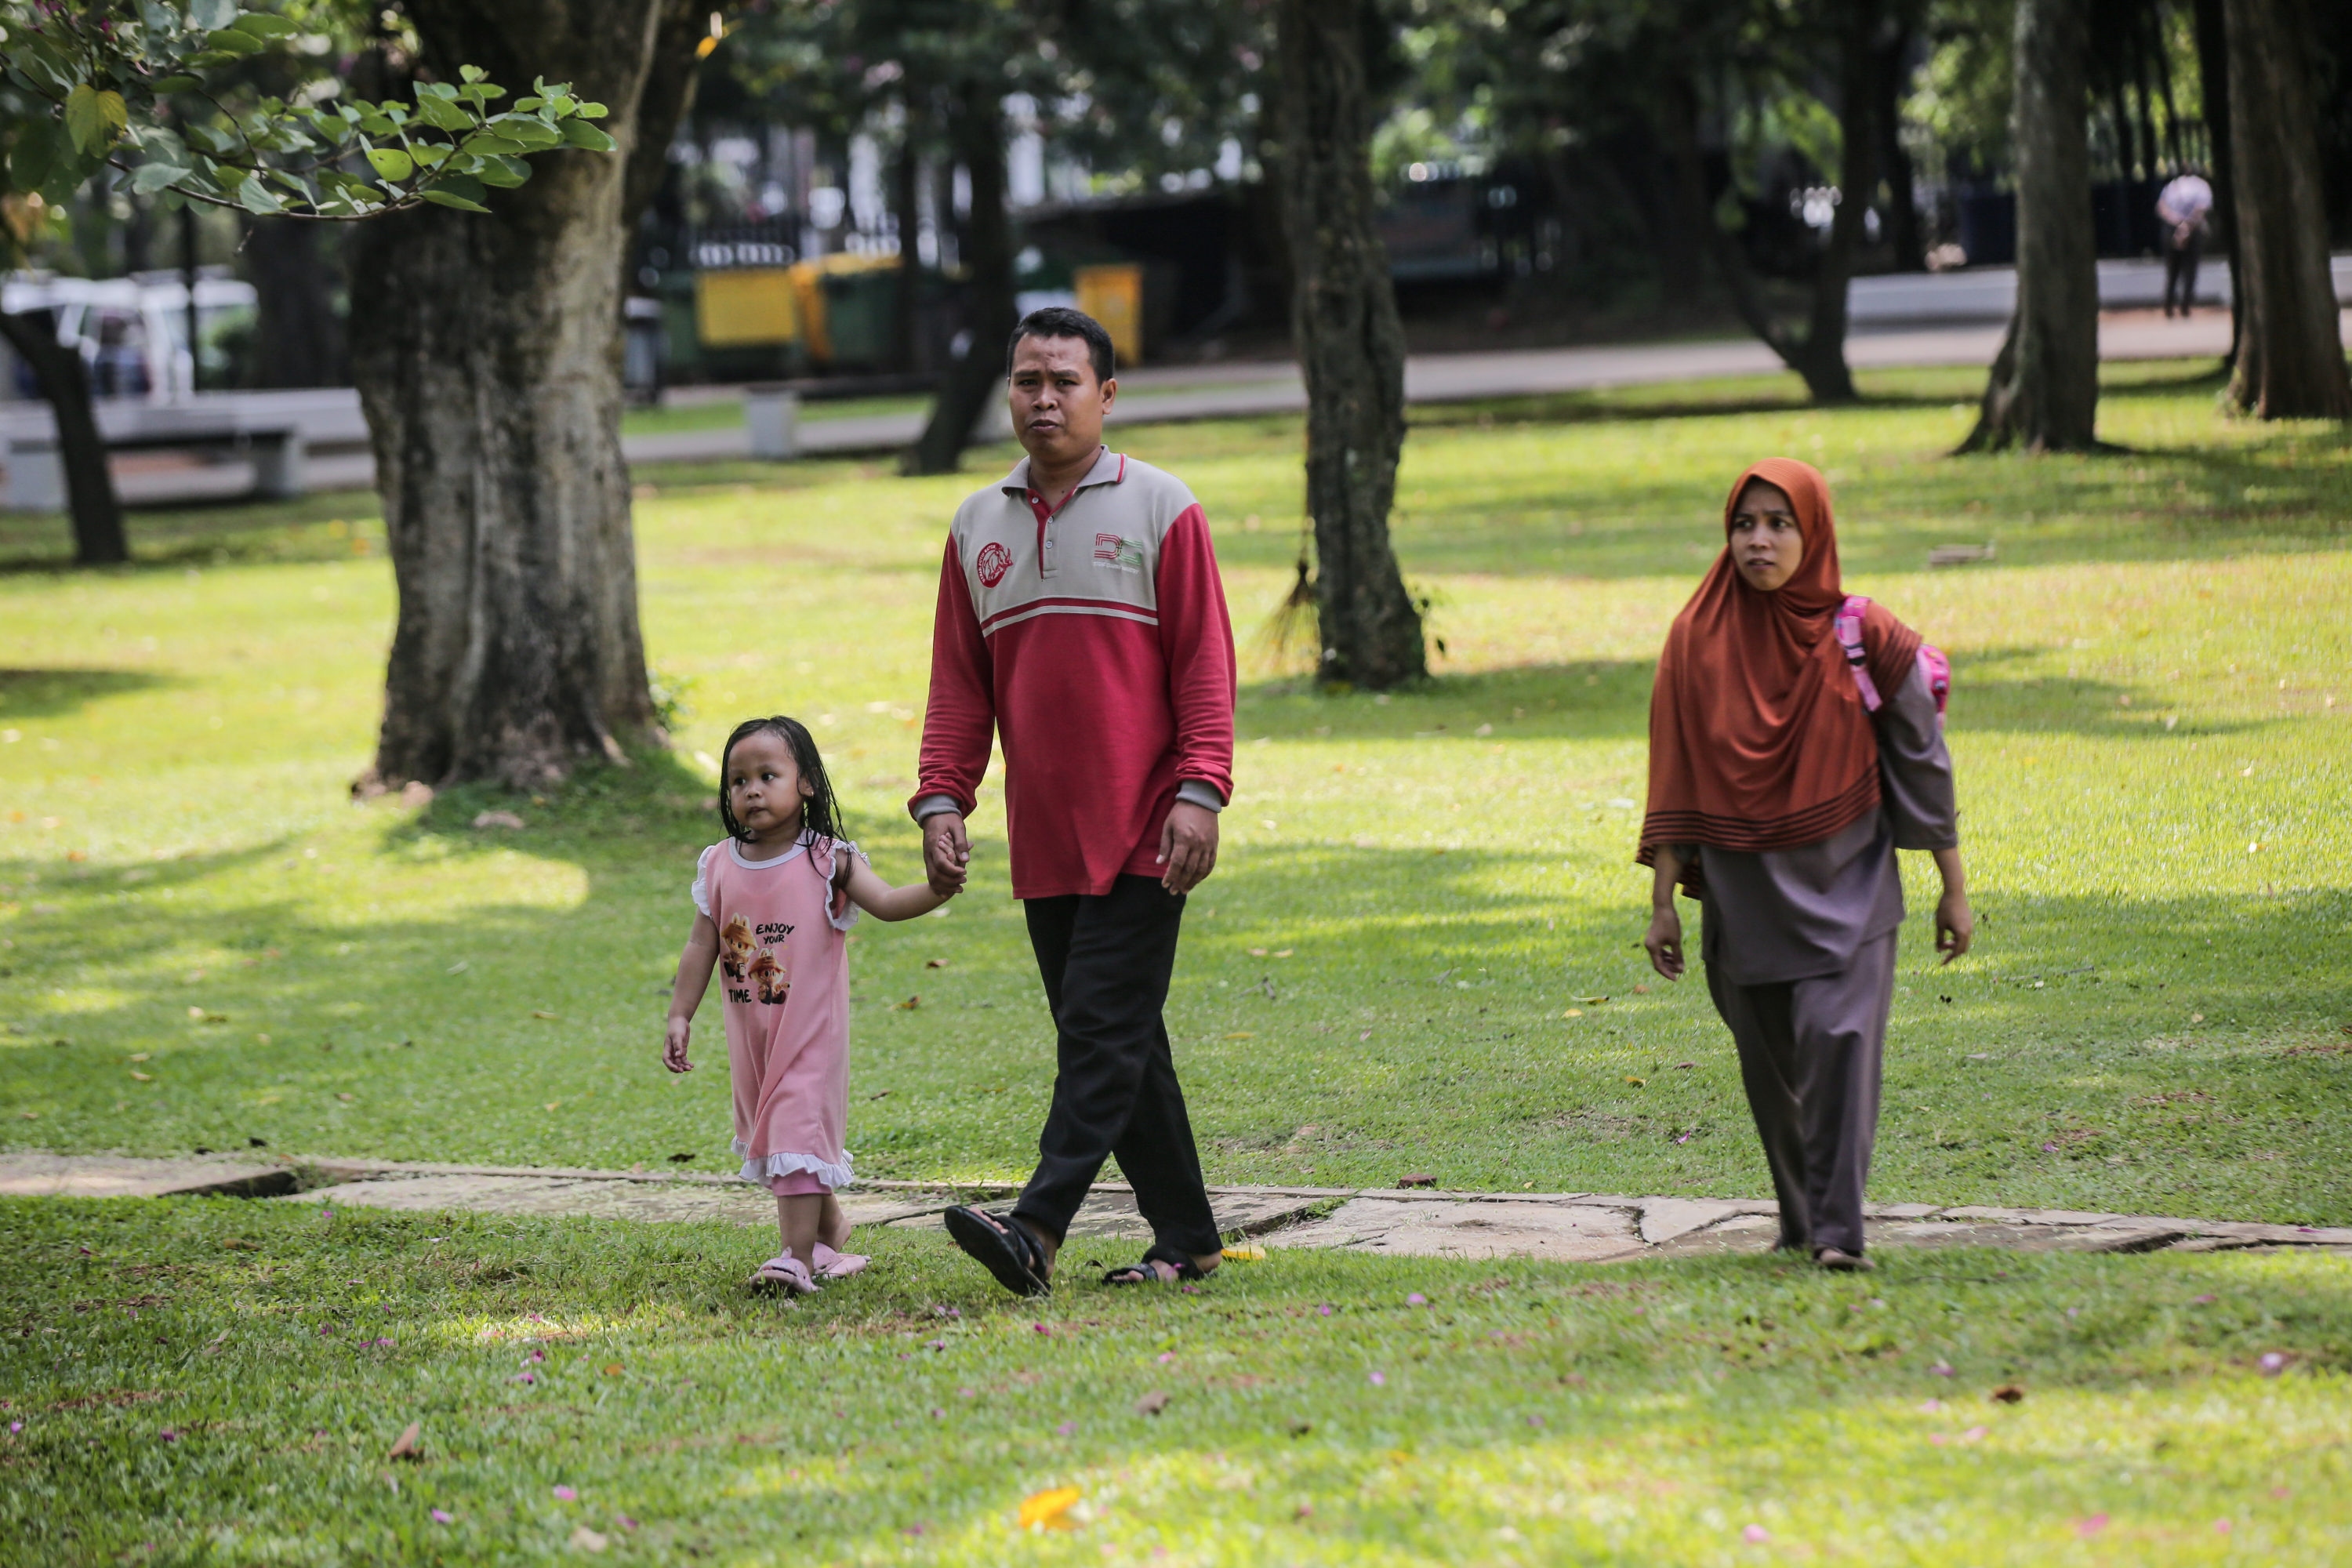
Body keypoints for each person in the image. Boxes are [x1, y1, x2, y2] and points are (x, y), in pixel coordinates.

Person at [913, 305, 1236, 1296]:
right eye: (1026, 380)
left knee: (1100, 1030)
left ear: (1106, 394)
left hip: (1146, 826)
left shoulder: (1161, 506)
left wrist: (1201, 791)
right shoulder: (978, 525)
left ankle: (1037, 1227)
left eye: (1063, 380)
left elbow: (1205, 666)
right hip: (1044, 836)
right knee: (1119, 1039)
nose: (1043, 397)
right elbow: (961, 685)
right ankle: (1189, 1238)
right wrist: (942, 798)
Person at [1637, 459, 1971, 1272]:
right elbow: (1674, 770)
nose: (1759, 540)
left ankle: (1837, 1231)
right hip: (1742, 896)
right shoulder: (1696, 638)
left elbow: (1923, 765)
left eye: (1780, 523)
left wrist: (1953, 886)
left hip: (1851, 886)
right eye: (1745, 523)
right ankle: (1801, 1218)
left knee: (1838, 1041)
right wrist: (1663, 901)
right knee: (1773, 1067)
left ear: (1813, 532)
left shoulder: (1867, 637)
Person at [662, 715, 955, 1294]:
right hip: (754, 1039)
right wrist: (679, 1013)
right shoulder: (718, 863)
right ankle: (829, 1234)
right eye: (738, 780)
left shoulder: (827, 859)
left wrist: (940, 887)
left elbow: (891, 903)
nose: (751, 790)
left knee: (795, 1133)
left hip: (810, 1036)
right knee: (777, 1136)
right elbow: (702, 944)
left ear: (807, 785)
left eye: (767, 775)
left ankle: (793, 1259)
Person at [2155, 171, 2214, 318]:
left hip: (2172, 228)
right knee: (2191, 270)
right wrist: (2186, 225)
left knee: (2172, 270)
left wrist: (2178, 224)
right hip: (2194, 229)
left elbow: (2162, 208)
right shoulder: (2202, 186)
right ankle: (2185, 306)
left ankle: (2169, 306)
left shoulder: (2171, 186)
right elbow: (2201, 209)